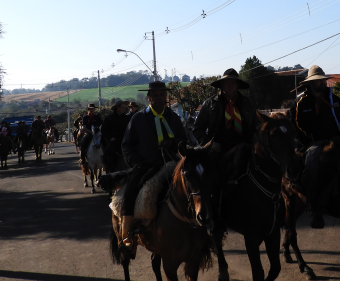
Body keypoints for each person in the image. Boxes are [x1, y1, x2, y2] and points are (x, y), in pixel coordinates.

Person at [119, 81, 187, 251]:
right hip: (146, 165)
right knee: (130, 191)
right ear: (148, 97)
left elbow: (183, 140)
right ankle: (126, 235)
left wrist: (173, 143)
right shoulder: (138, 118)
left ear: (166, 96)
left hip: (172, 163)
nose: (158, 98)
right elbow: (126, 144)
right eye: (154, 95)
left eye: (161, 95)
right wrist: (137, 162)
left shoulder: (174, 118)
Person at [290, 65, 340, 228]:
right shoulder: (301, 102)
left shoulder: (334, 99)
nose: (322, 83)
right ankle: (315, 208)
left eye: (323, 80)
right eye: (318, 81)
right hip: (313, 143)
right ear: (311, 83)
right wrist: (309, 140)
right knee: (311, 167)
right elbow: (294, 125)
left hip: (336, 139)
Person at [192, 68, 256, 150]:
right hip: (218, 150)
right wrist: (209, 144)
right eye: (227, 82)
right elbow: (197, 129)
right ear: (222, 84)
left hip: (246, 148)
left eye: (233, 83)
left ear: (238, 85)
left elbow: (257, 126)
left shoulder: (248, 103)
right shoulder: (210, 104)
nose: (230, 86)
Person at [102, 100, 130, 170]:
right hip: (115, 140)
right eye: (123, 107)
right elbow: (104, 130)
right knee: (110, 150)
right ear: (118, 108)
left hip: (125, 139)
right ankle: (111, 168)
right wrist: (110, 138)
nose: (124, 109)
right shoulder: (109, 118)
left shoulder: (127, 118)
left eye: (125, 107)